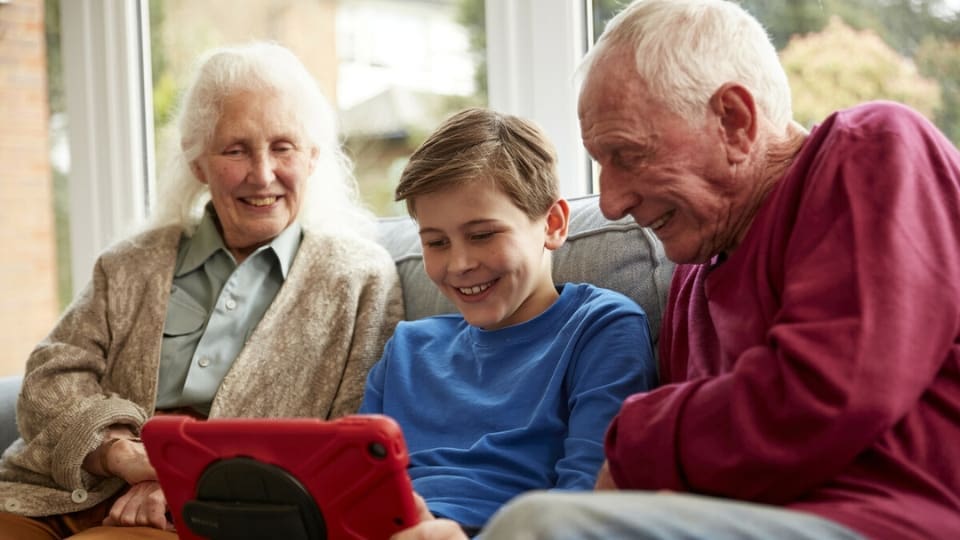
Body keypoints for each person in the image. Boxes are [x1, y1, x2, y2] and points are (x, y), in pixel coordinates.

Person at [392, 1, 960, 539]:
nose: (611, 203)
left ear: (733, 121)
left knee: (542, 525)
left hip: (889, 518)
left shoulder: (870, 150)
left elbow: (828, 395)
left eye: (627, 155)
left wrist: (639, 434)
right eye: (599, 164)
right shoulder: (694, 273)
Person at [0, 42, 403, 539]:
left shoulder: (358, 278)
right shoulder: (130, 264)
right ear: (198, 164)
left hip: (202, 518)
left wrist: (183, 477)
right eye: (235, 150)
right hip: (45, 497)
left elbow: (350, 436)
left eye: (283, 147)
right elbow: (48, 378)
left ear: (313, 156)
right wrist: (118, 452)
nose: (262, 174)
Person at [361, 107, 657, 536]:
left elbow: (587, 505)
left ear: (552, 224)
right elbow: (354, 483)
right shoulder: (406, 349)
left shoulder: (600, 327)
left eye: (482, 235)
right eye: (436, 242)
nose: (459, 263)